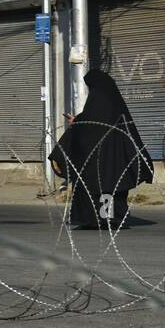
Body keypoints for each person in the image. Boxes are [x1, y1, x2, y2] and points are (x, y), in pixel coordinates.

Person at [48, 69, 153, 230]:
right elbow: (96, 123)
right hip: (114, 161)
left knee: (93, 189)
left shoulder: (98, 100)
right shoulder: (115, 102)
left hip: (95, 163)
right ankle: (110, 219)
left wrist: (77, 123)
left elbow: (90, 126)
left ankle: (95, 219)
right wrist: (80, 121)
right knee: (111, 188)